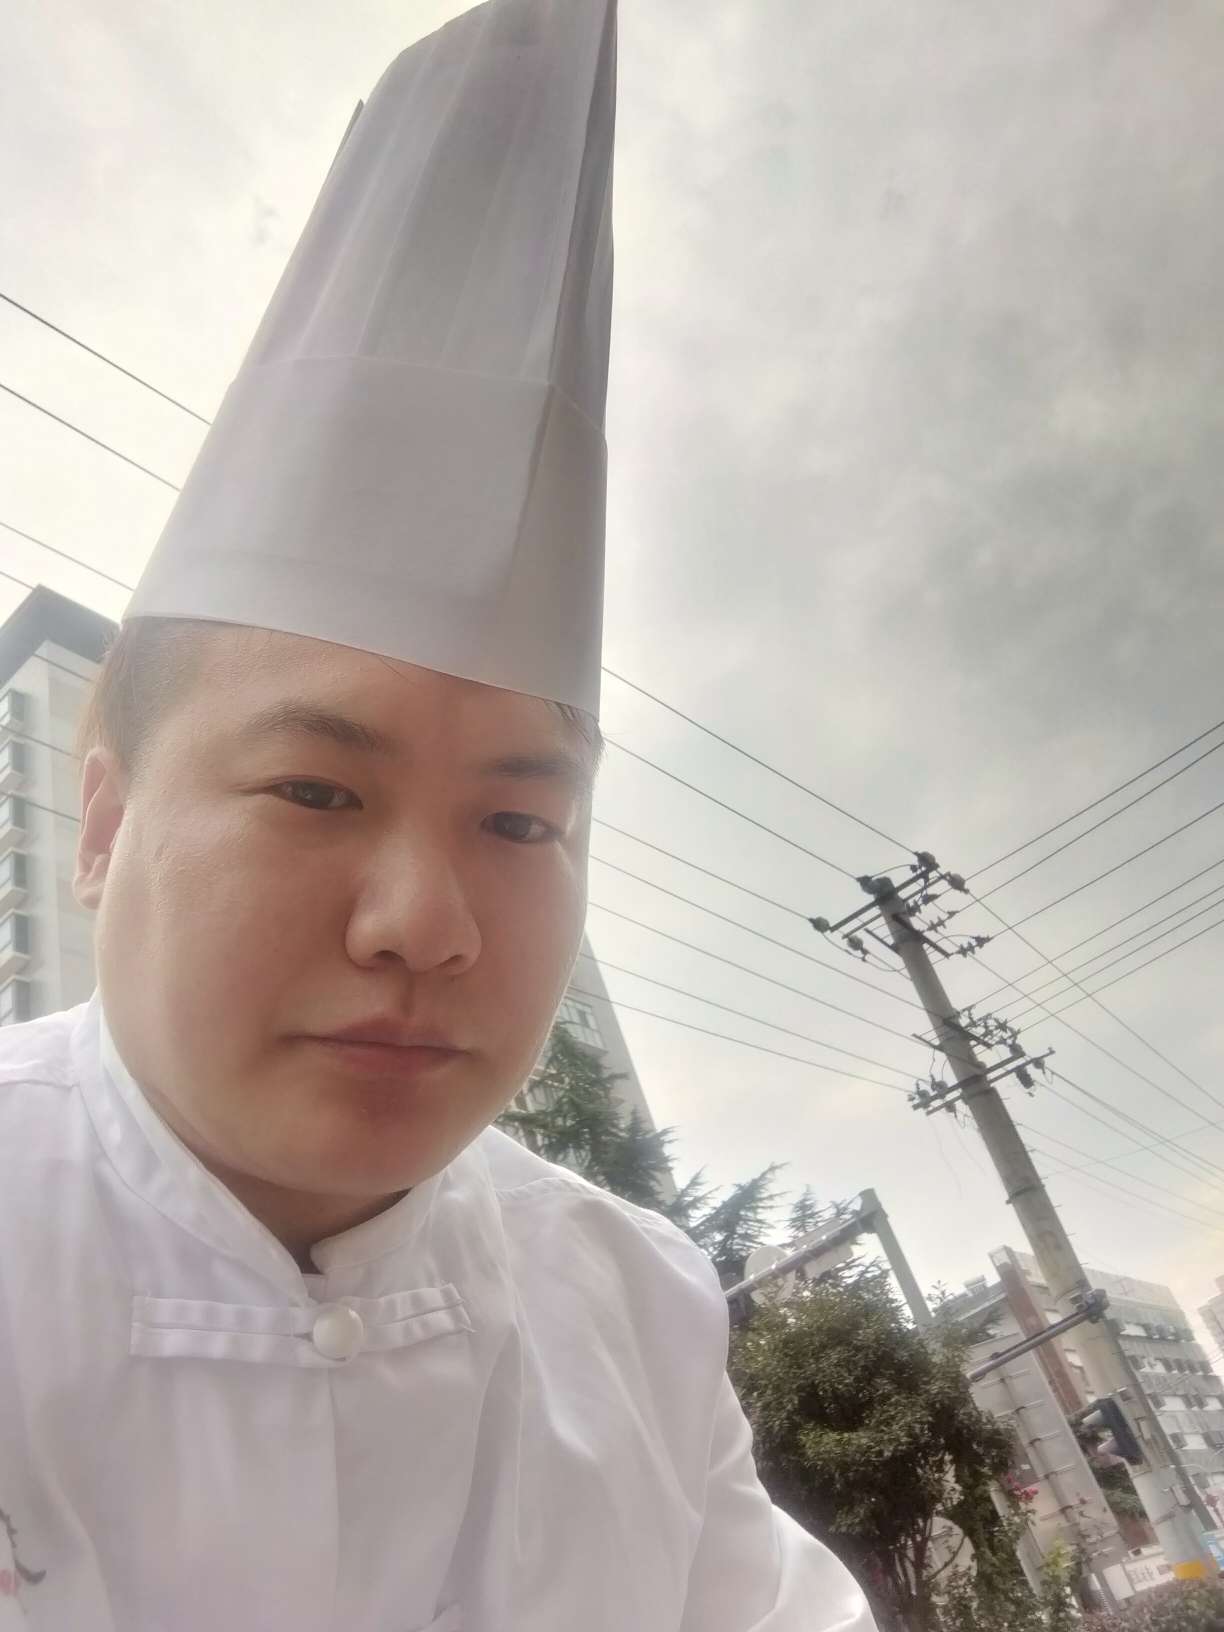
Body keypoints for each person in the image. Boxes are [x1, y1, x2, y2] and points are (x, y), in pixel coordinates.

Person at [0, 1, 876, 1627]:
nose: (428, 924)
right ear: (104, 816)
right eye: (316, 788)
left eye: (521, 825)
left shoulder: (637, 1307)